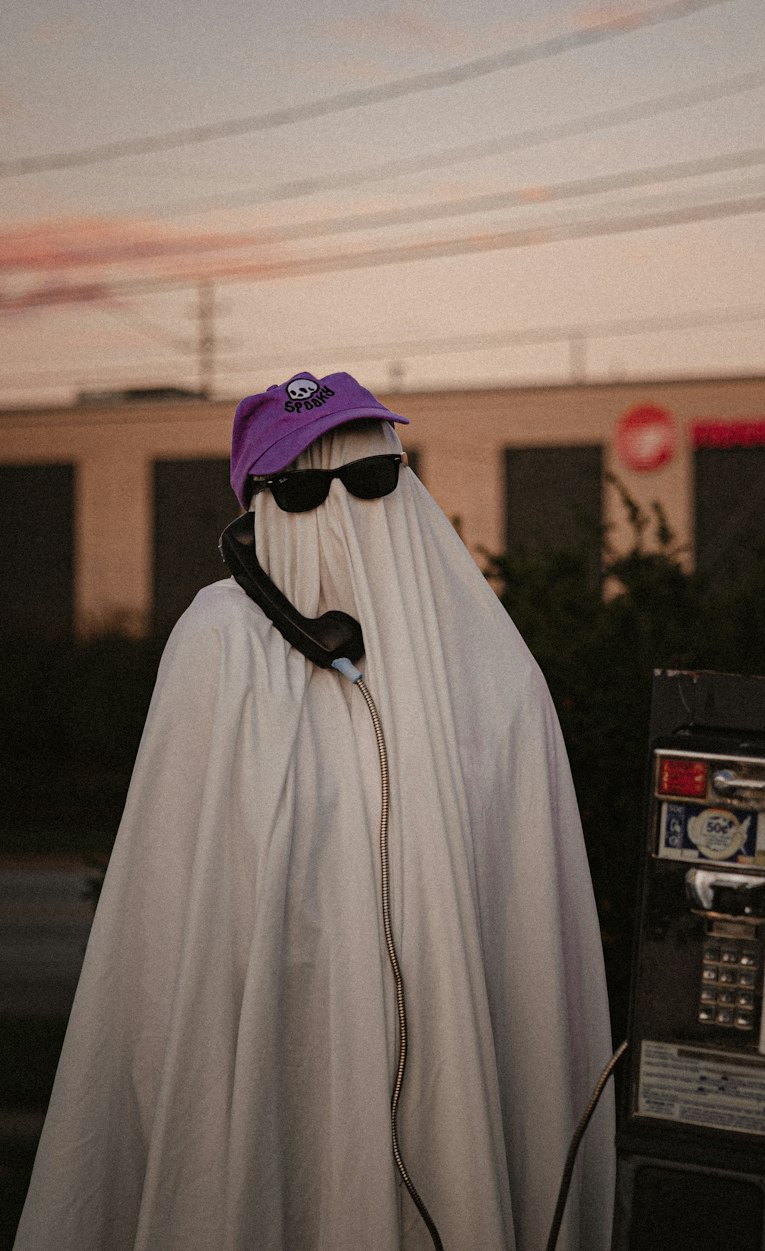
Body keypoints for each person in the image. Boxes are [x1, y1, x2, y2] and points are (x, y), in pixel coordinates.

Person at [14, 371, 616, 1250]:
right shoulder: (219, 645)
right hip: (275, 1067)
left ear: (406, 483)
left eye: (371, 480)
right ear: (256, 518)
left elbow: (532, 947)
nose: (341, 511)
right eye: (300, 490)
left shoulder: (497, 675)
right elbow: (161, 932)